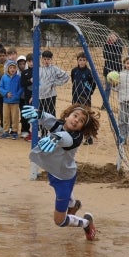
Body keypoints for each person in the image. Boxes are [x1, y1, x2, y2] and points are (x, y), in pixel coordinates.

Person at [22, 103, 101, 241]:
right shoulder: (60, 124)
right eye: (75, 115)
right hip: (55, 171)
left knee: (60, 221)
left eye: (81, 121)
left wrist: (56, 137)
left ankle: (87, 223)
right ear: (67, 116)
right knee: (67, 200)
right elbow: (50, 120)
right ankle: (74, 204)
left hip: (64, 179)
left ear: (82, 128)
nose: (76, 120)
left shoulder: (76, 137)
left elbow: (65, 139)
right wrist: (39, 114)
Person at [35, 50, 70, 118]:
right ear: (42, 59)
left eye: (48, 59)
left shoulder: (54, 69)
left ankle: (52, 125)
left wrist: (55, 83)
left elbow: (66, 76)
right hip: (40, 96)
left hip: (50, 96)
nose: (46, 61)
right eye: (45, 59)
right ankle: (42, 125)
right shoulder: (39, 69)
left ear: (51, 59)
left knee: (50, 115)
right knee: (40, 115)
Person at [0, 58, 23, 139]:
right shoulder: (4, 77)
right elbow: (0, 87)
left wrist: (16, 95)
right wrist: (6, 93)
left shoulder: (18, 78)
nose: (12, 69)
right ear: (7, 68)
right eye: (11, 67)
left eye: (14, 68)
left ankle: (15, 131)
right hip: (6, 101)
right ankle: (6, 131)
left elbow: (21, 88)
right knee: (6, 117)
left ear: (16, 69)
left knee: (15, 117)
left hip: (15, 102)